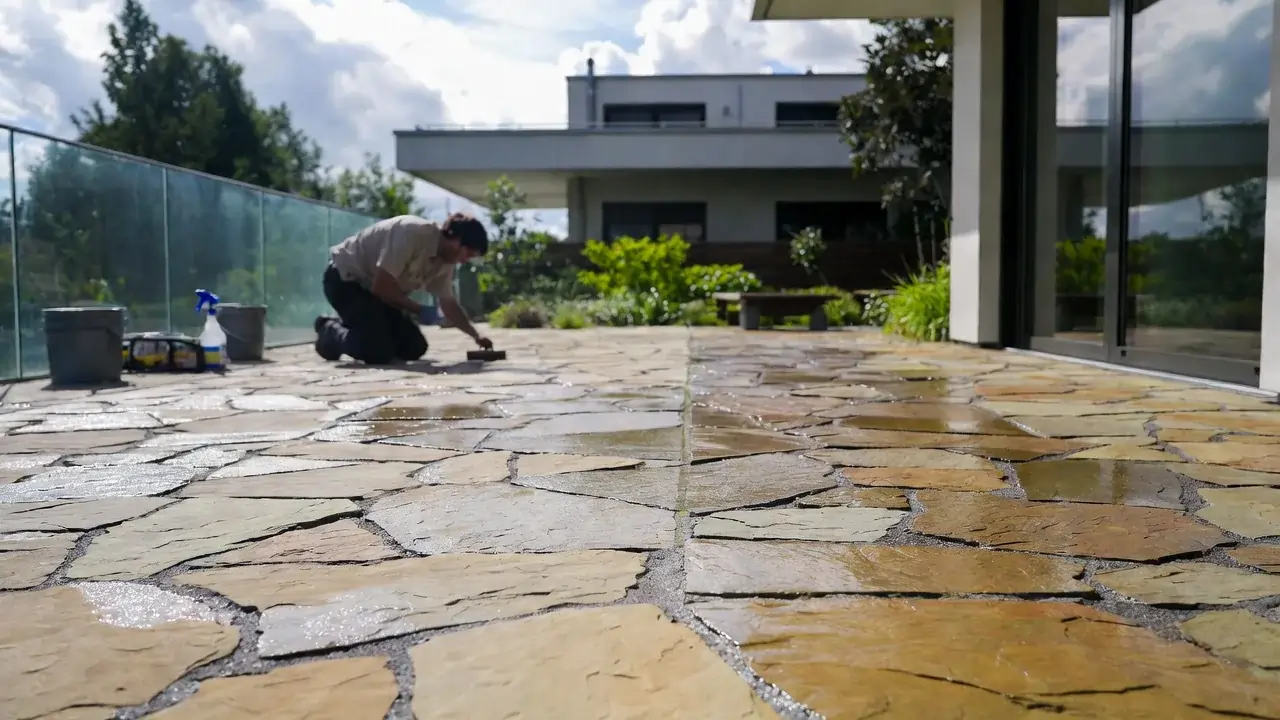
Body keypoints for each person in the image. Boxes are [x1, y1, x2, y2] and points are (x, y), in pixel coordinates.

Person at [314, 212, 494, 364]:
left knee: (414, 347)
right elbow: (382, 287)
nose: (464, 260)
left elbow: (449, 304)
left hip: (376, 296)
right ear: (456, 238)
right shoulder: (411, 232)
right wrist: (420, 310)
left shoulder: (445, 262)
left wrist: (476, 336)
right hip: (345, 281)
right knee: (377, 350)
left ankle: (356, 327)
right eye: (467, 253)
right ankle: (330, 331)